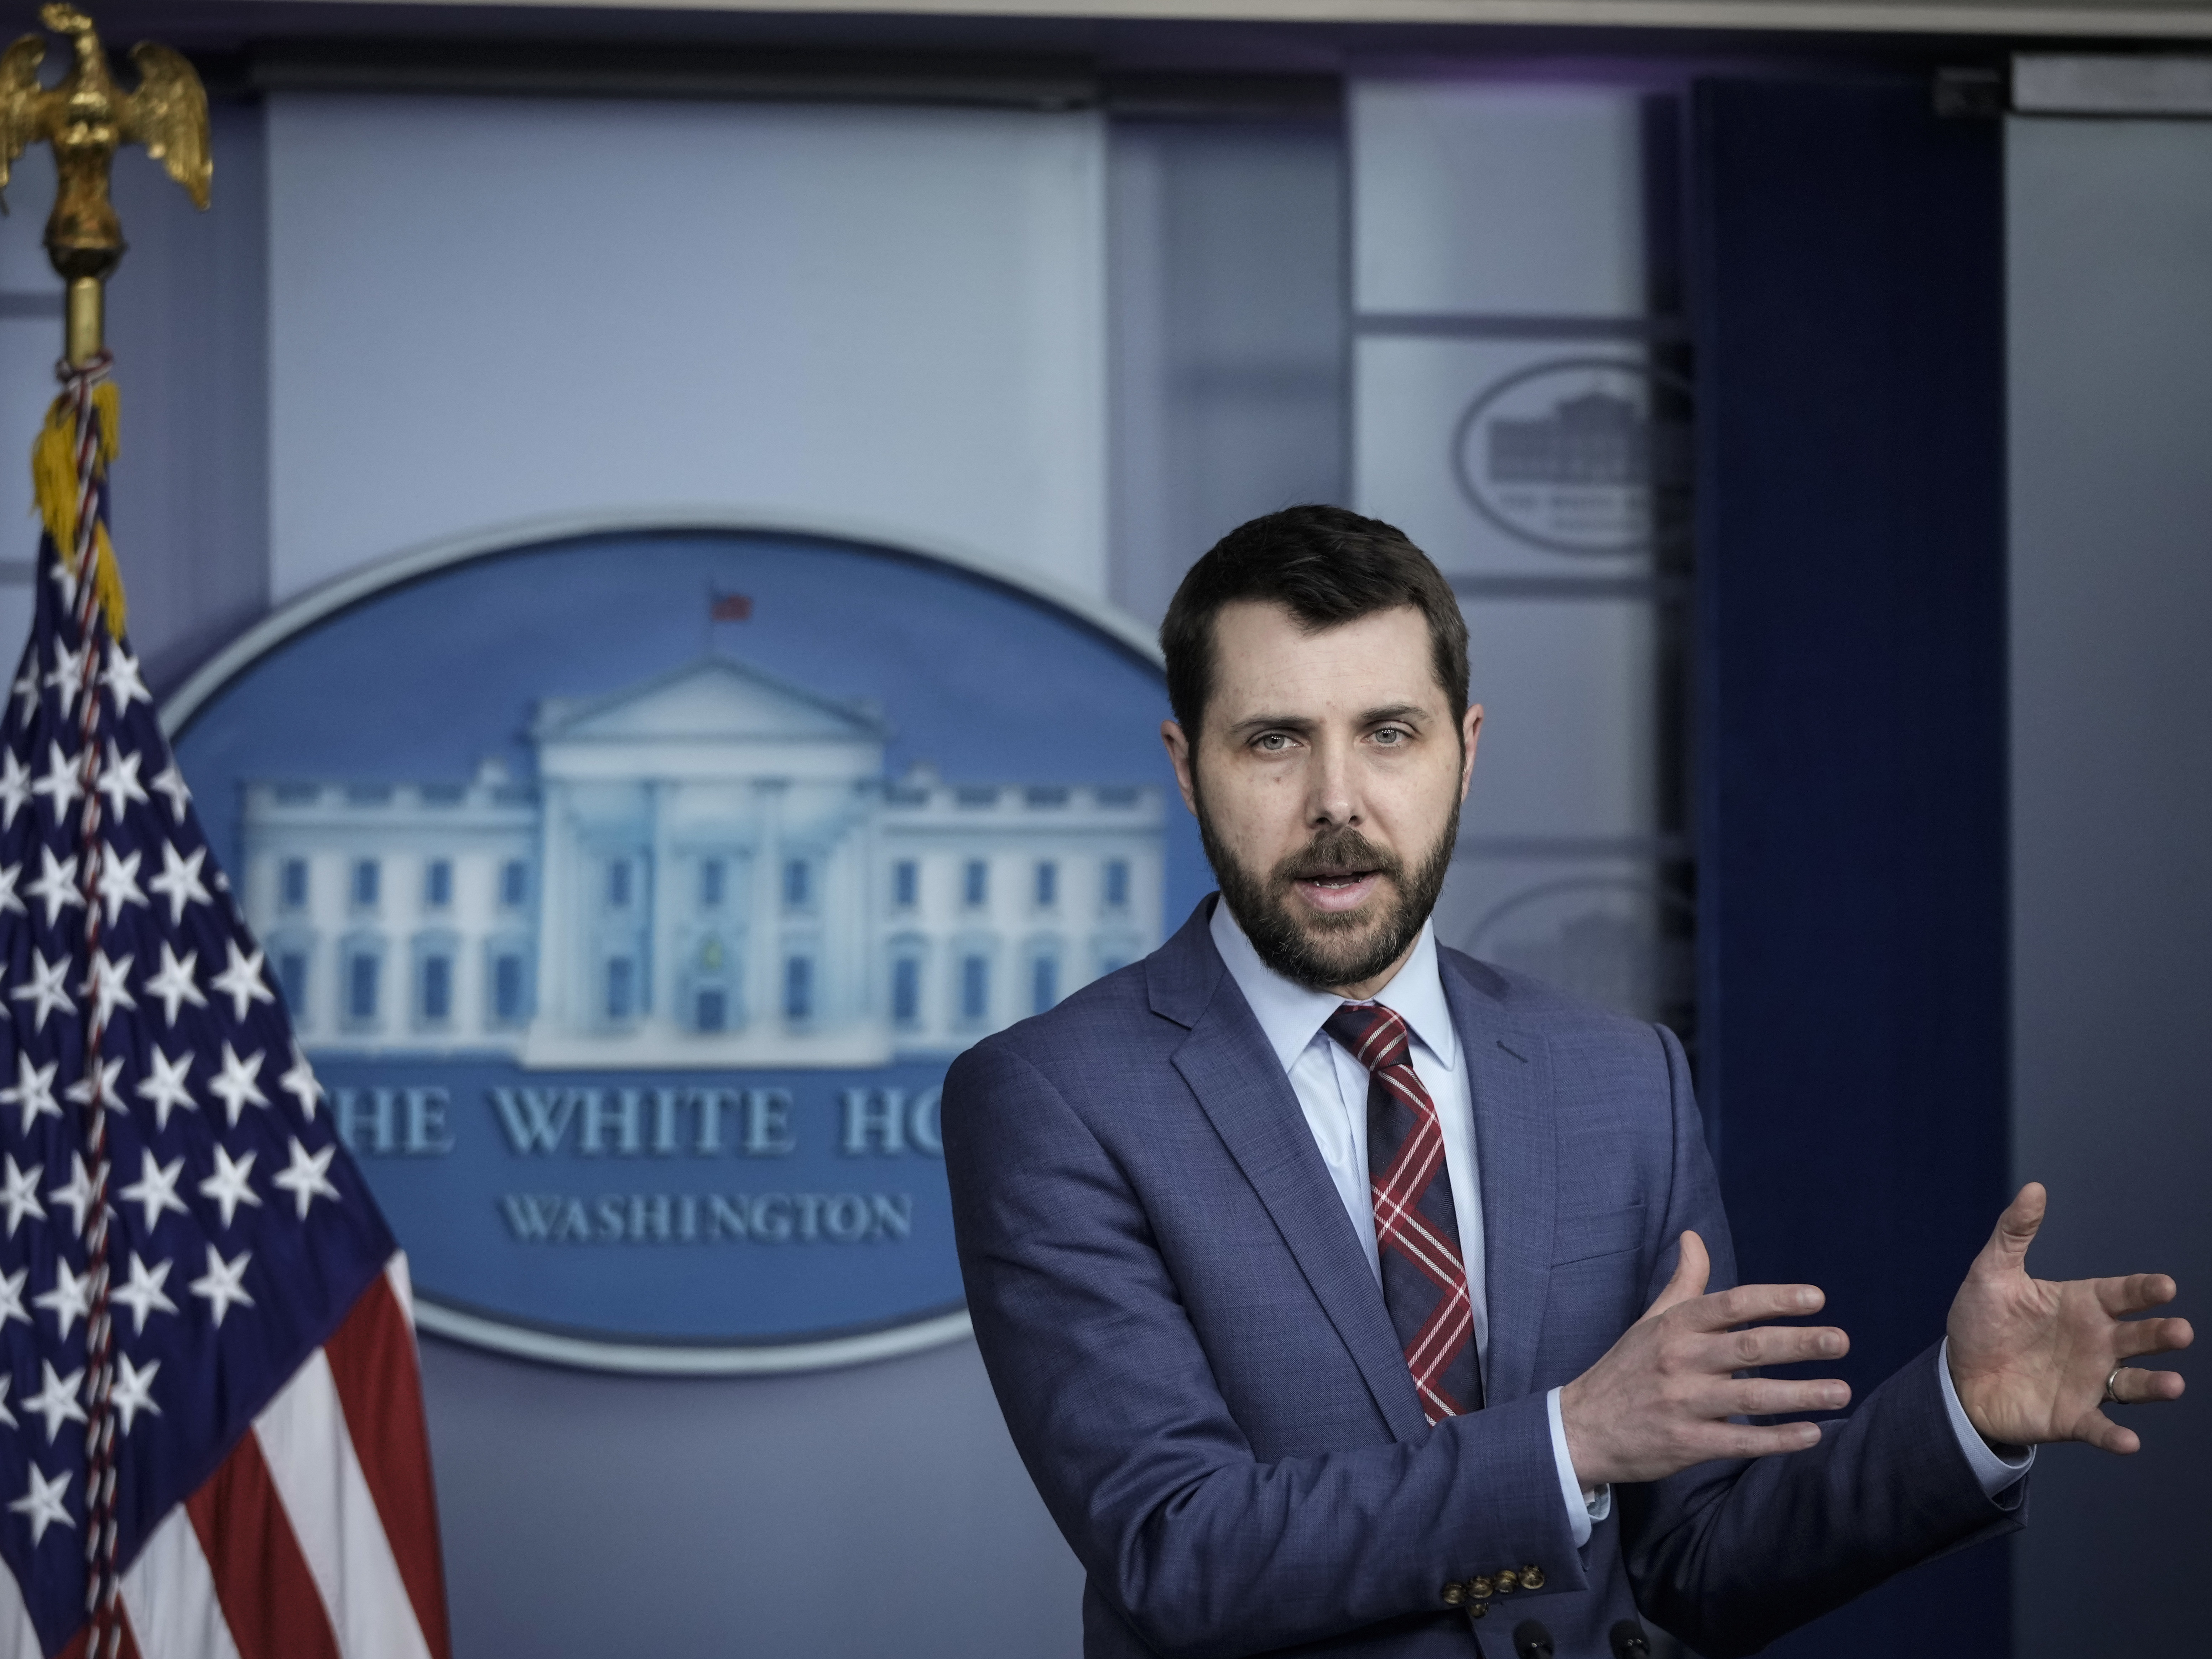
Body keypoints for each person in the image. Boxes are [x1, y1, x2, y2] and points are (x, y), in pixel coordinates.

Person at [942, 505, 2189, 1659]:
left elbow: (1696, 1560)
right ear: (1184, 761)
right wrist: (1567, 1440)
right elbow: (1177, 1550)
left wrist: (1959, 1417)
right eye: (1273, 740)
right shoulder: (1053, 1098)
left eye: (1389, 733)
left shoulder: (1620, 1077)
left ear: (1464, 750)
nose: (1336, 801)